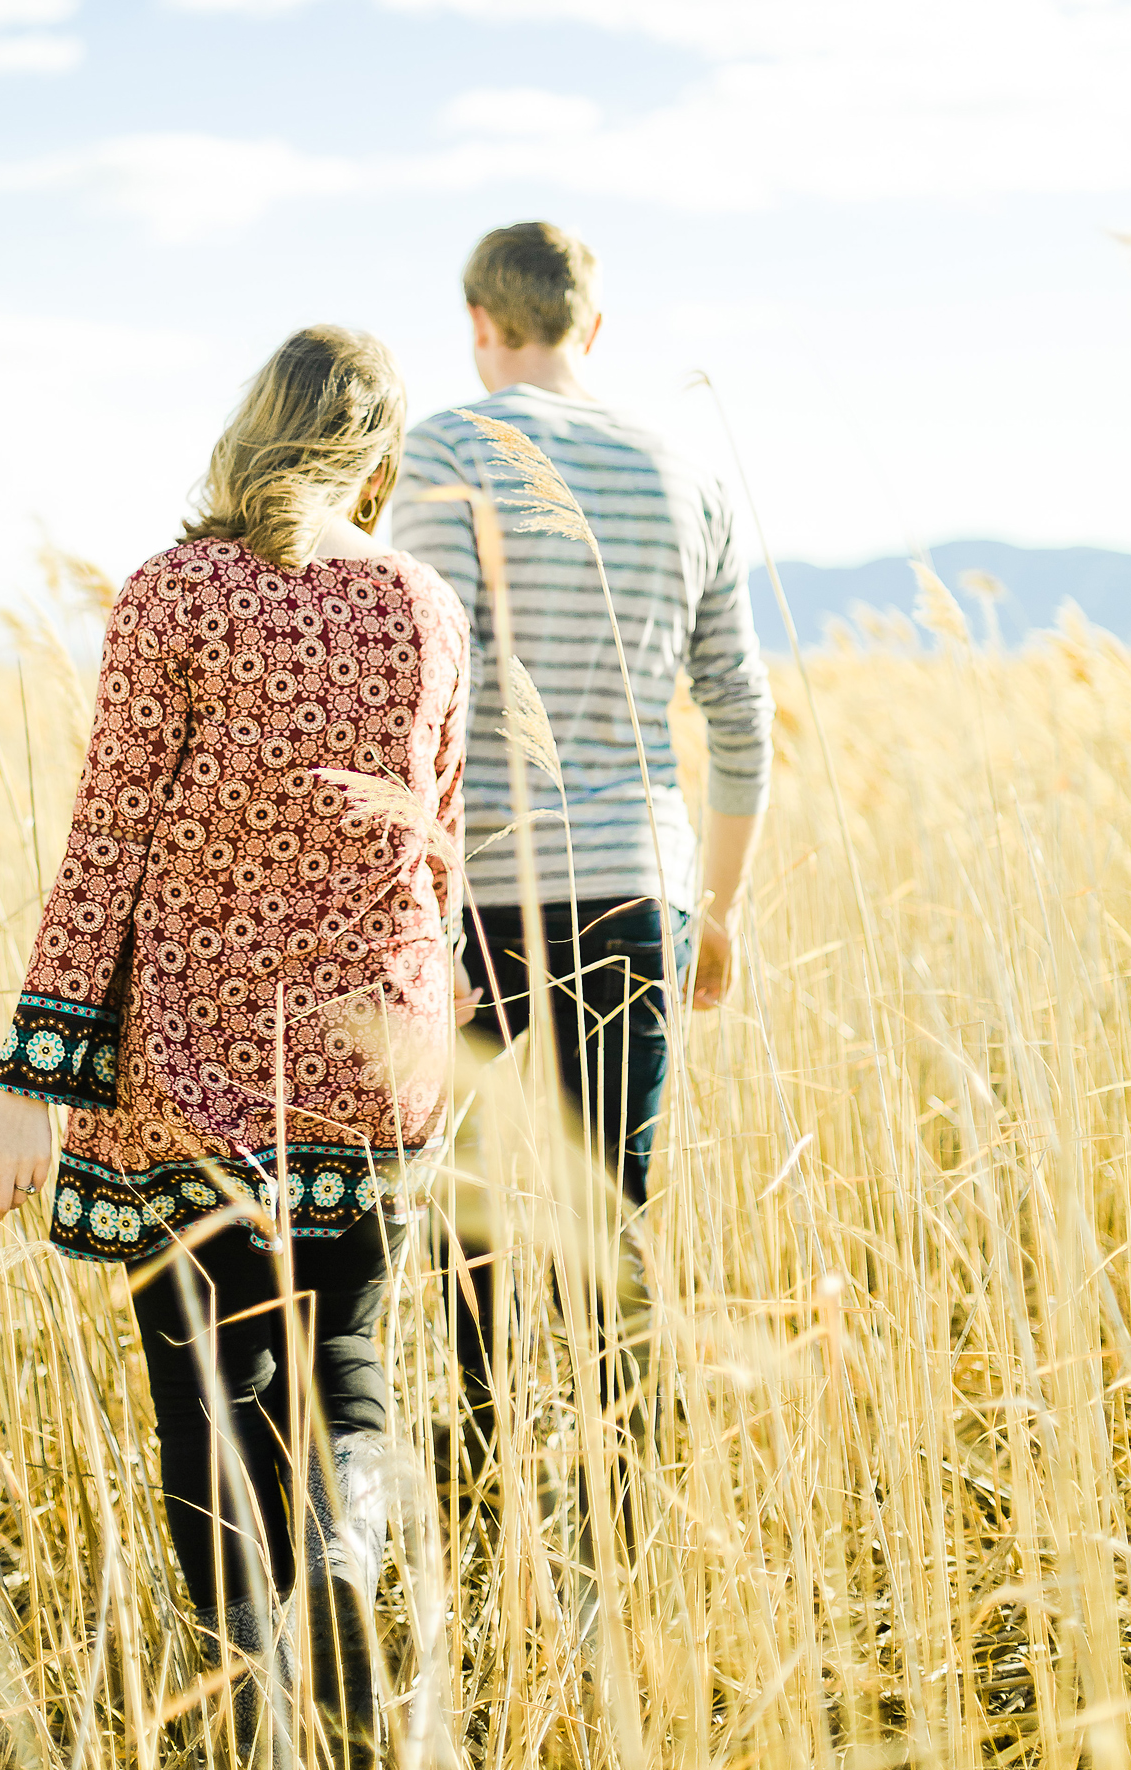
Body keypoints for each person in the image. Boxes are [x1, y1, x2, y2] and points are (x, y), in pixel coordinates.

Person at [0, 326, 471, 1769]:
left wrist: (28, 1084)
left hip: (190, 1052)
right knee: (348, 1360)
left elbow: (109, 841)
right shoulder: (425, 604)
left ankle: (262, 1690)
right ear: (380, 459)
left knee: (209, 1383)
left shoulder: (175, 595)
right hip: (376, 1045)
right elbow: (437, 844)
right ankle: (348, 1580)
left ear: (253, 431)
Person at [390, 221, 774, 1498]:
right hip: (640, 887)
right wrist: (713, 907)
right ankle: (624, 1490)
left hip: (488, 892)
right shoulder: (686, 468)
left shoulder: (447, 446)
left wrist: (418, 914)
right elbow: (739, 710)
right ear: (591, 329)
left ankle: (485, 1466)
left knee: (477, 1209)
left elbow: (429, 692)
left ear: (479, 323)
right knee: (614, 1195)